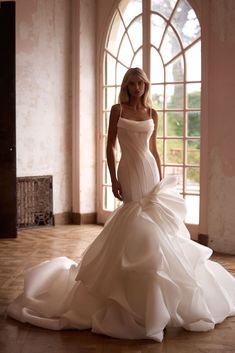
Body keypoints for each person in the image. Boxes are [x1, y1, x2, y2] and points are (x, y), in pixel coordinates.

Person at [7, 68, 235, 342]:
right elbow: (110, 146)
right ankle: (134, 299)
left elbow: (154, 149)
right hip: (129, 169)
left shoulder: (152, 113)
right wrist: (113, 178)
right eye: (132, 83)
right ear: (126, 85)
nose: (137, 87)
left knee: (157, 224)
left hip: (149, 170)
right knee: (135, 217)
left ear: (145, 85)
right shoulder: (118, 109)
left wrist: (160, 179)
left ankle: (159, 300)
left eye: (141, 83)